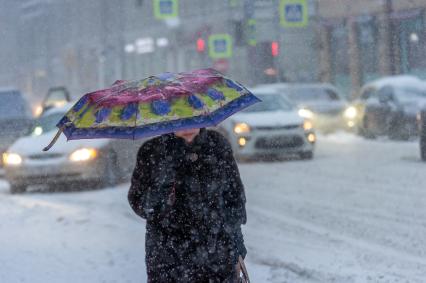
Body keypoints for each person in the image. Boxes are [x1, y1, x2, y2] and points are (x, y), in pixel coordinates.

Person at [128, 127, 247, 282]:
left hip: (218, 256)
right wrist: (163, 178)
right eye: (179, 121)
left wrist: (236, 244)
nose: (187, 127)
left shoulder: (217, 144)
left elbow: (235, 197)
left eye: (192, 118)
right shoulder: (152, 151)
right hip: (168, 259)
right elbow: (143, 206)